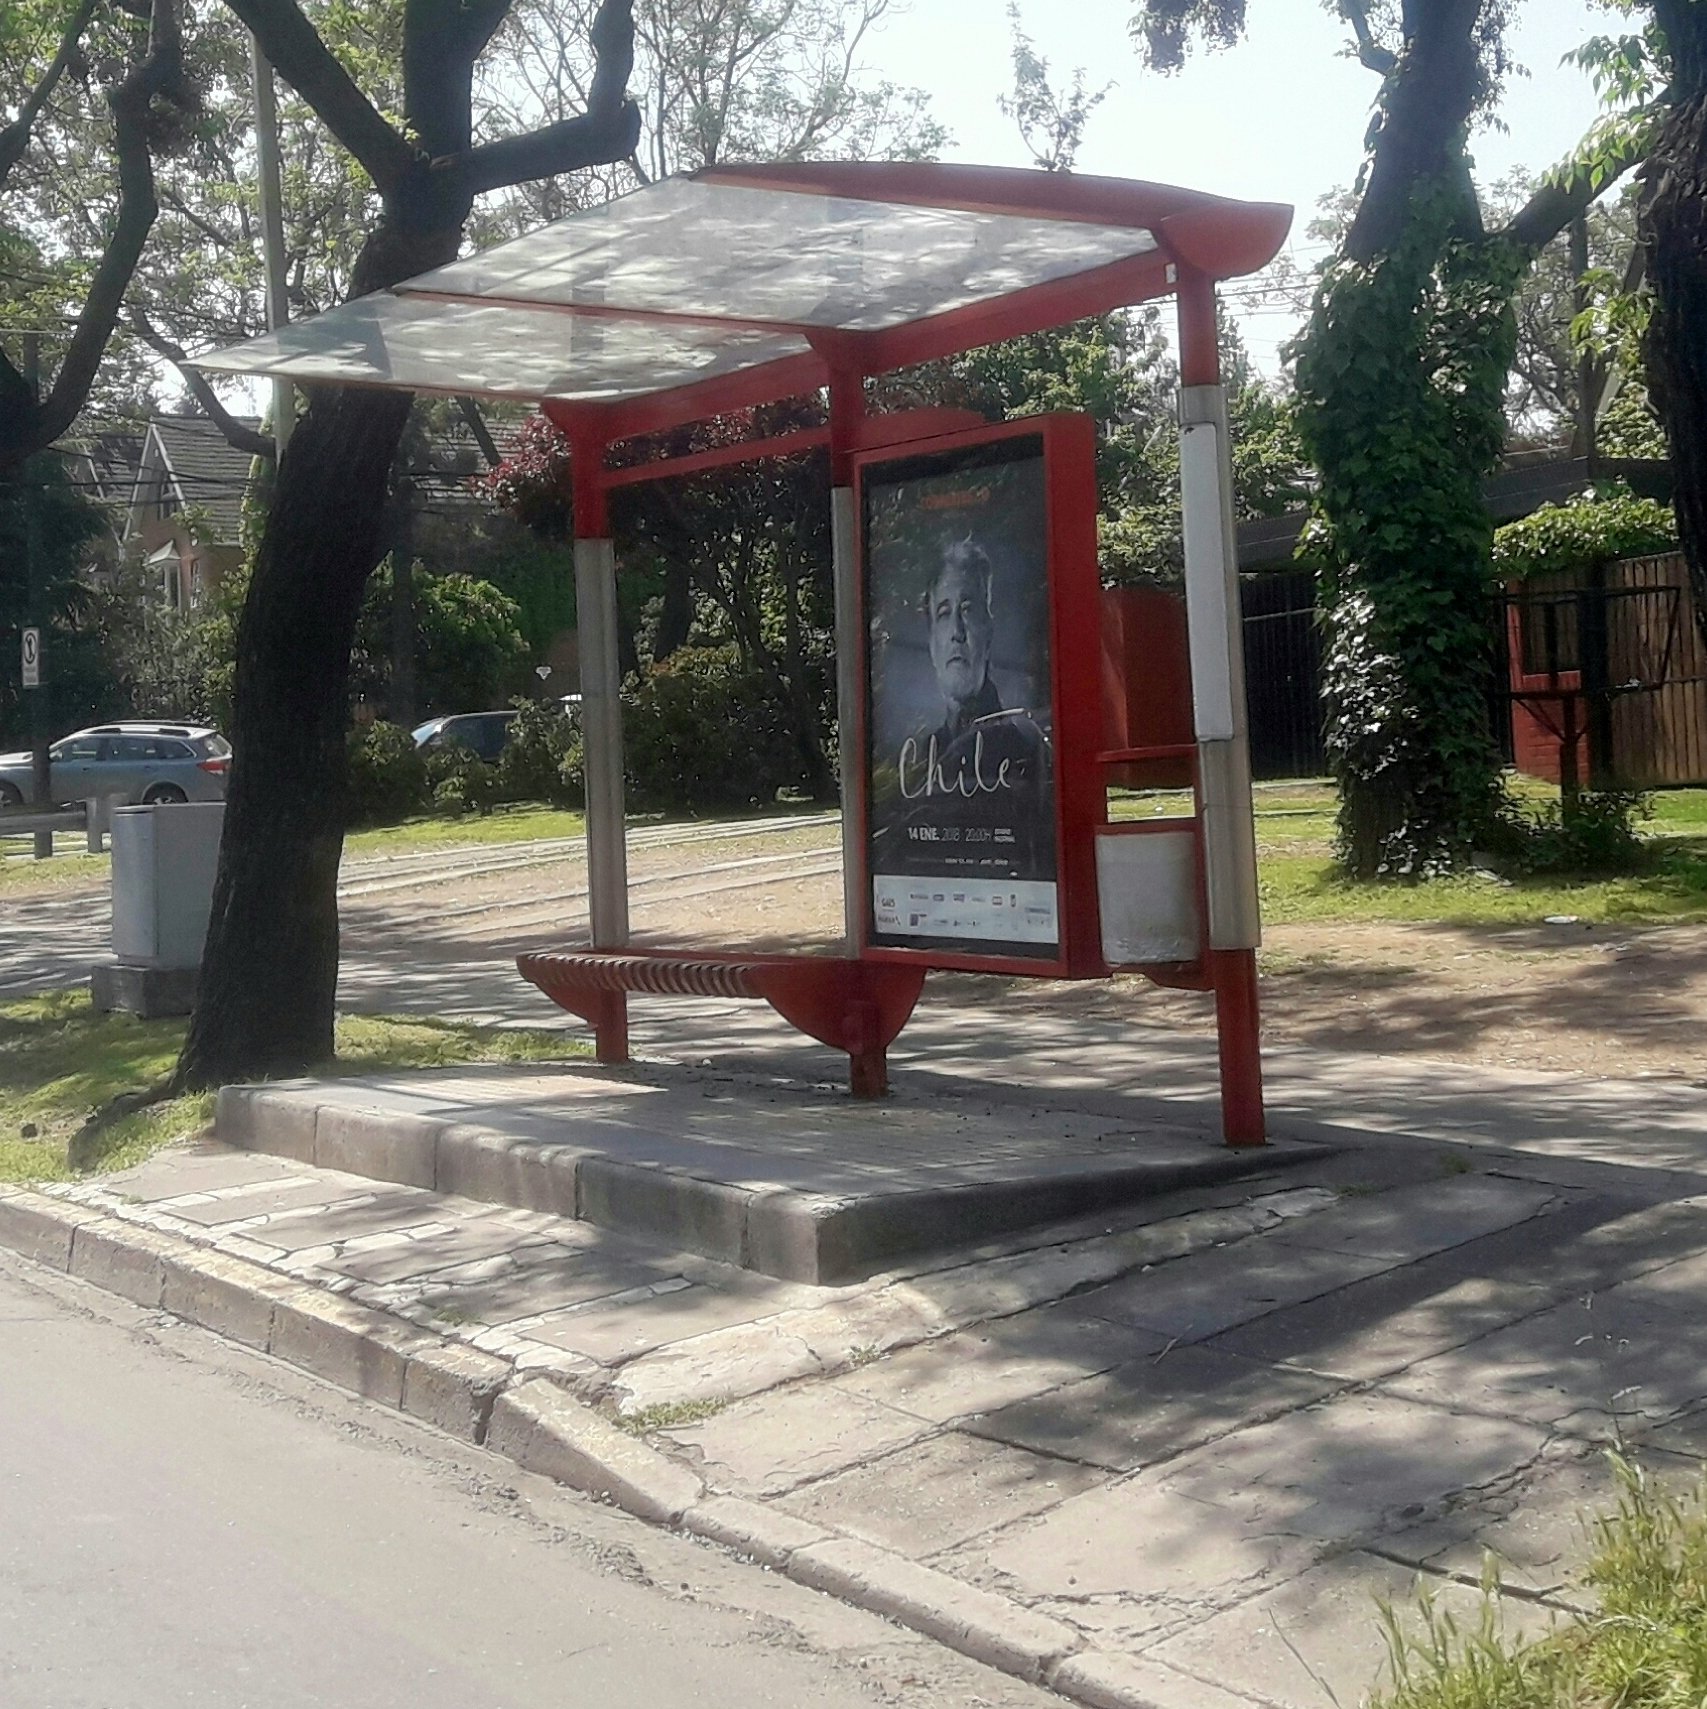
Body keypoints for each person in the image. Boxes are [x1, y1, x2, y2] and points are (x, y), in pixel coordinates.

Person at [883, 536, 1052, 876]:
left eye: (968, 610)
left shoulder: (1025, 743)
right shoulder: (919, 753)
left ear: (988, 629)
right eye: (944, 614)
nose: (956, 632)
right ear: (931, 641)